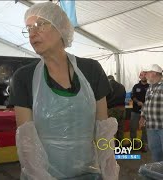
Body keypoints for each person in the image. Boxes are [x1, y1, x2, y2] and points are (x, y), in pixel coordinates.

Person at [9, 2, 119, 180]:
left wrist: (109, 172)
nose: (32, 34)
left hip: (90, 174)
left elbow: (103, 130)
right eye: (28, 29)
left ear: (60, 27)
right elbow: (26, 143)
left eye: (39, 25)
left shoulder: (91, 70)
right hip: (43, 175)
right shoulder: (24, 77)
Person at [139, 64, 163, 162]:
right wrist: (142, 117)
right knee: (155, 152)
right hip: (151, 127)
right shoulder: (150, 88)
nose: (145, 75)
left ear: (154, 73)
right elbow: (146, 104)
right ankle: (158, 174)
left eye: (147, 73)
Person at [130, 71, 149, 152]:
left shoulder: (150, 86)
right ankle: (133, 144)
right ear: (139, 76)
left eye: (145, 75)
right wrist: (137, 102)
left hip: (146, 112)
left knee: (145, 130)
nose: (144, 76)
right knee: (133, 128)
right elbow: (132, 96)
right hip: (135, 111)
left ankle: (143, 145)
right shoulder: (136, 86)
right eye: (142, 75)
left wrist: (146, 103)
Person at [106, 75, 126, 143]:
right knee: (120, 128)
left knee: (112, 128)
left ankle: (113, 147)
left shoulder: (108, 86)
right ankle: (120, 146)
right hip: (122, 109)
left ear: (108, 79)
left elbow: (105, 97)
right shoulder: (122, 86)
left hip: (112, 109)